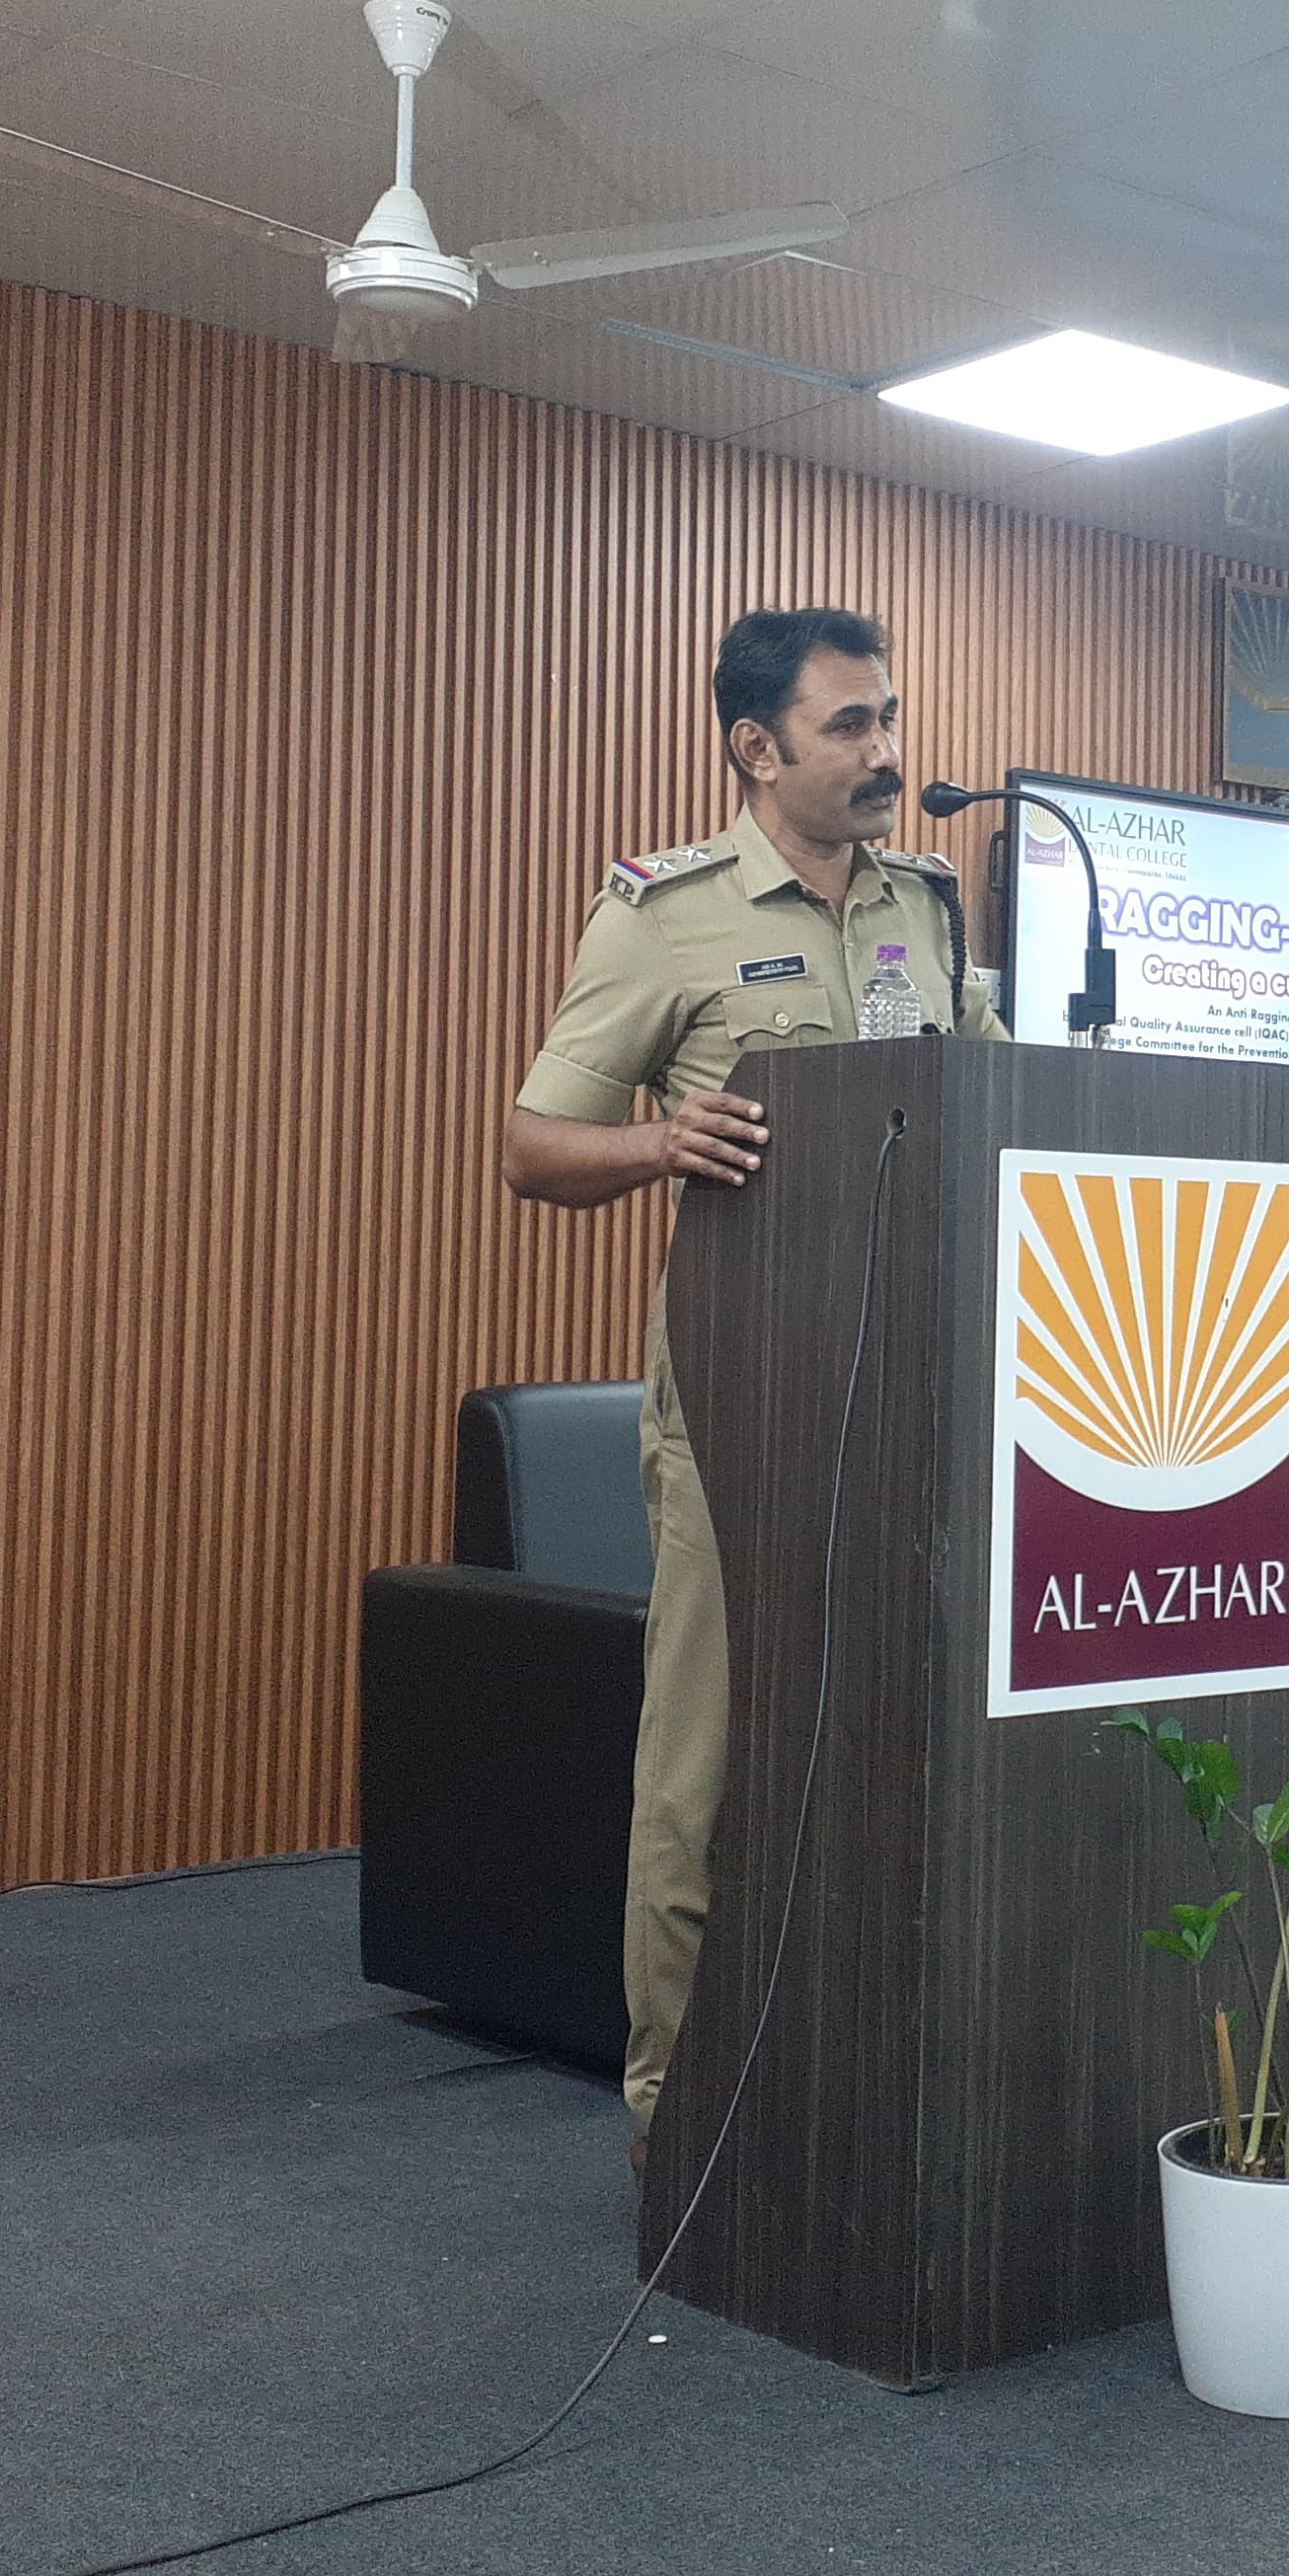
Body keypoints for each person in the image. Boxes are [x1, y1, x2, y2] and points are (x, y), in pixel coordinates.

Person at [495, 608, 1004, 2146]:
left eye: (889, 717)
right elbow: (532, 1146)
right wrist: (664, 1139)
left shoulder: (929, 903)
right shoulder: (668, 914)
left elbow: (995, 1093)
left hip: (923, 1391)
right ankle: (679, 2123)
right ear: (755, 747)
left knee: (897, 1750)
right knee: (708, 1765)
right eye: (851, 725)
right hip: (742, 1401)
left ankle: (860, 2096)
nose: (887, 752)